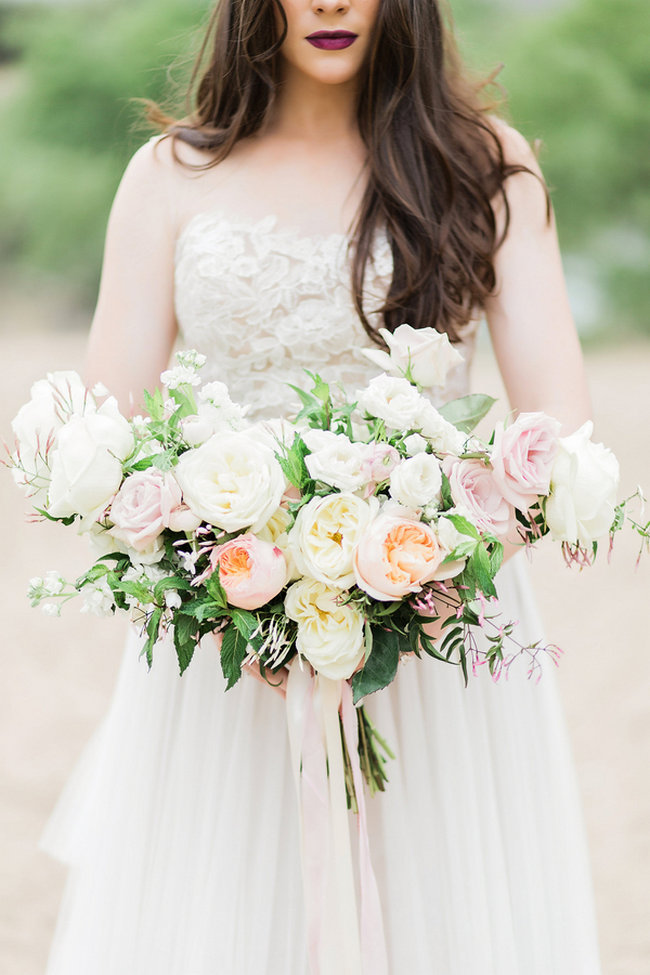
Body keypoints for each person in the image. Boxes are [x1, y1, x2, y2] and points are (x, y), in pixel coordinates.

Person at [40, 0, 602, 972]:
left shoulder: (483, 165)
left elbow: (555, 426)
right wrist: (232, 567)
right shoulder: (168, 177)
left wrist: (402, 574)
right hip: (230, 632)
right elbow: (107, 432)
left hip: (433, 634)